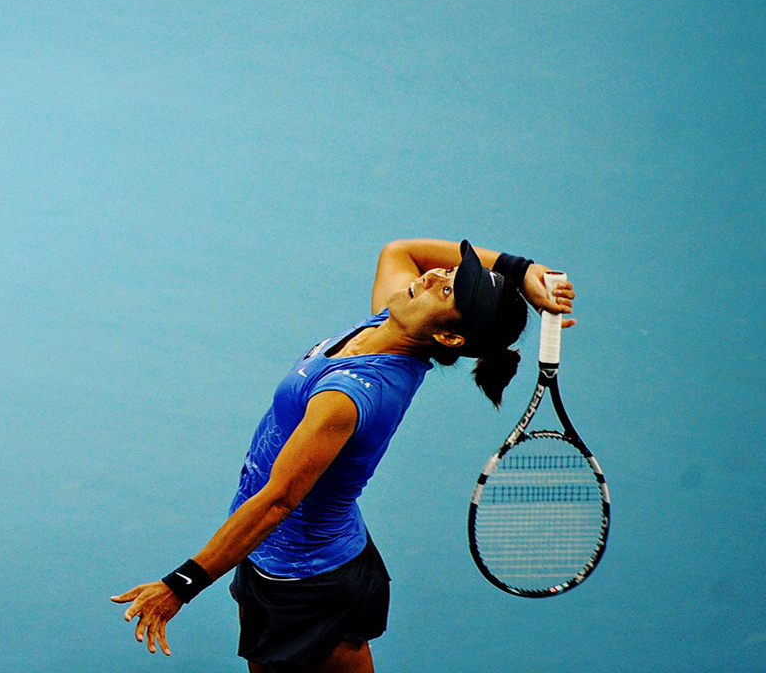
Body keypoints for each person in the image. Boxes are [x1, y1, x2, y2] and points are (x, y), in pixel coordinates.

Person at [110, 239, 577, 672]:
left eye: (447, 289)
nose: (434, 274)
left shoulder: (350, 397)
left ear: (450, 338)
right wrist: (522, 270)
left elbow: (278, 501)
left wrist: (181, 585)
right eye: (450, 272)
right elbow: (401, 251)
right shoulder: (388, 324)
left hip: (307, 581)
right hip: (270, 552)